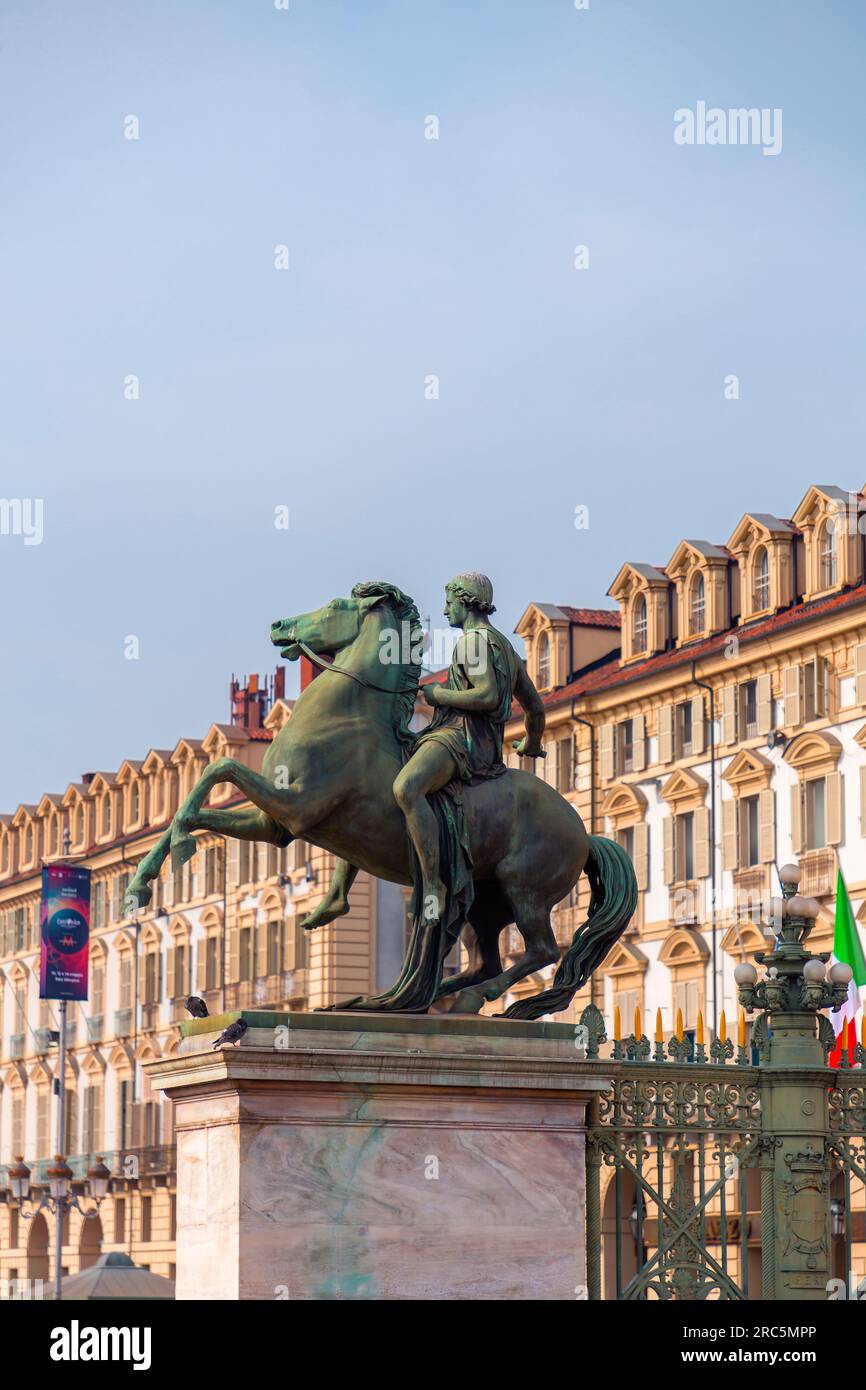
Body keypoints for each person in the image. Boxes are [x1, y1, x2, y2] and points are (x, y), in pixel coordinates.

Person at [393, 571, 546, 925]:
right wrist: (531, 743)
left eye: (449, 603)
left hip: (460, 740)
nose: (445, 610)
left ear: (465, 601)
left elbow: (488, 694)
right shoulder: (505, 647)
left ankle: (433, 885)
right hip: (486, 747)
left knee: (406, 787)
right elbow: (535, 708)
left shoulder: (473, 642)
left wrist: (437, 695)